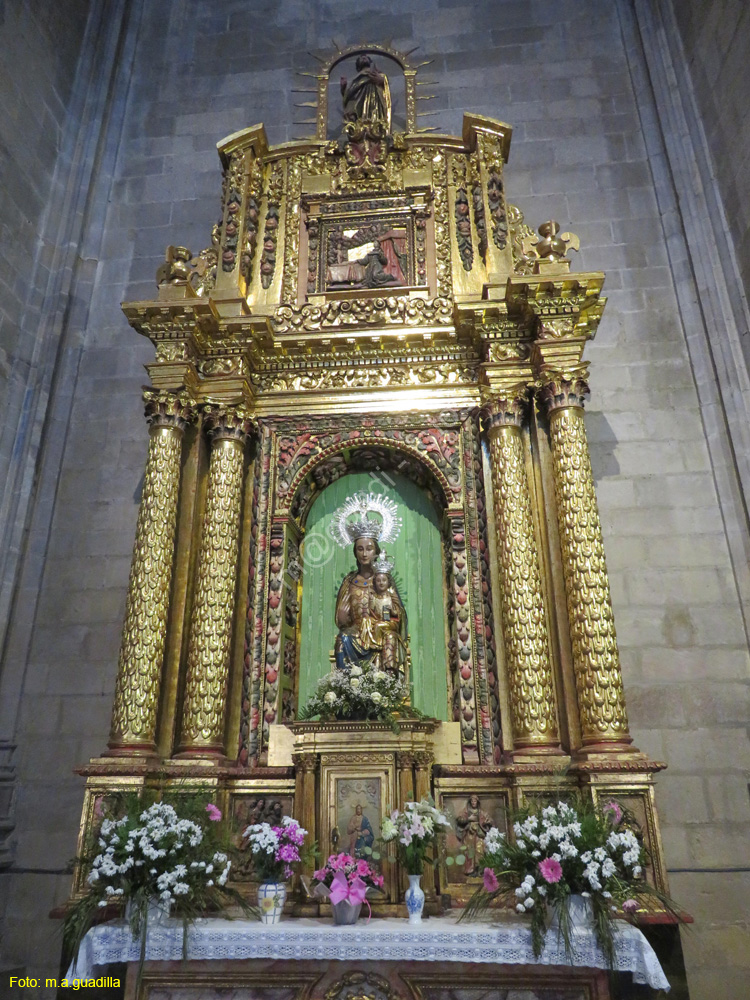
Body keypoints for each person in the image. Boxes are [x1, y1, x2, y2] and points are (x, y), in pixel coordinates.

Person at [334, 539, 406, 676]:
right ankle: (343, 685)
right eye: (360, 549)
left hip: (380, 632)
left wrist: (385, 616)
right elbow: (342, 619)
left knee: (389, 638)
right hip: (356, 633)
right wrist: (343, 614)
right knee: (342, 639)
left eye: (369, 549)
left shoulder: (383, 579)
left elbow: (398, 612)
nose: (365, 554)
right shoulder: (349, 581)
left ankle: (387, 682)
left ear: (376, 552)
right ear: (355, 552)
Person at [340, 55, 391, 128]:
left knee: (375, 119)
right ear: (358, 65)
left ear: (369, 61)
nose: (363, 58)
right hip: (359, 103)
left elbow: (385, 90)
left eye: (365, 57)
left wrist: (382, 80)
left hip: (375, 101)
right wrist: (343, 89)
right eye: (360, 58)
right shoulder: (356, 79)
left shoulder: (377, 74)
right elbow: (349, 95)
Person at [455, 795, 494, 875]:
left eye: (475, 801)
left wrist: (487, 822)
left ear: (477, 802)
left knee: (480, 851)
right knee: (469, 851)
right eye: (472, 801)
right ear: (470, 802)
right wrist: (468, 819)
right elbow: (459, 819)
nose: (473, 803)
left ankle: (479, 869)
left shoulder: (481, 812)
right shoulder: (466, 811)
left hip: (479, 834)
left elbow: (489, 819)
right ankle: (470, 870)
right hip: (469, 834)